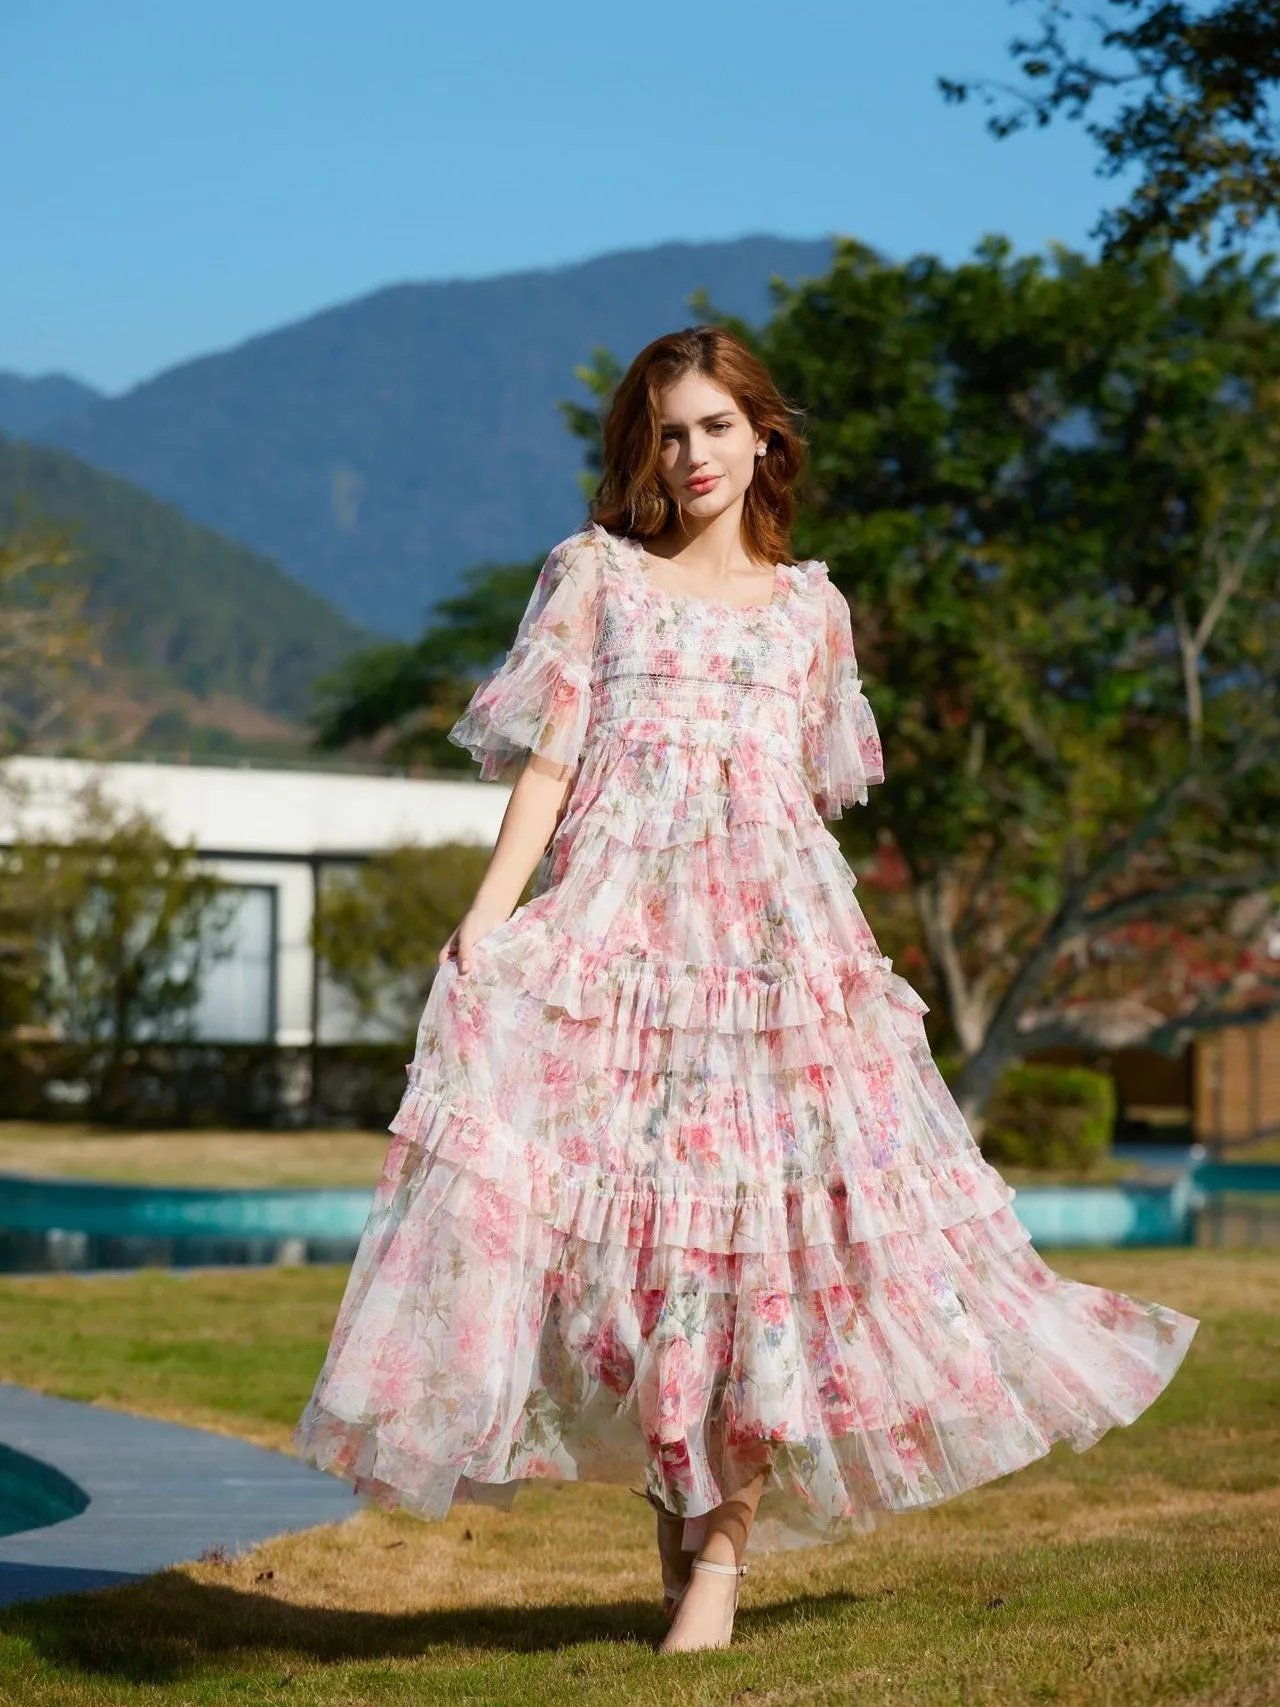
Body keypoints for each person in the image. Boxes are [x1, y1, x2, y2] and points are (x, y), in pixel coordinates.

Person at [293, 324, 1199, 1656]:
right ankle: (682, 1512)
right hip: (622, 948)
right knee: (647, 1264)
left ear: (766, 436)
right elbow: (548, 770)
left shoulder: (810, 610)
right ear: (642, 451)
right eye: (668, 431)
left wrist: (852, 976)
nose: (693, 453)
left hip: (775, 967)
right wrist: (487, 925)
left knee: (764, 1253)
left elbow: (798, 812)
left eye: (716, 425)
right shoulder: (597, 578)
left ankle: (719, 1562)